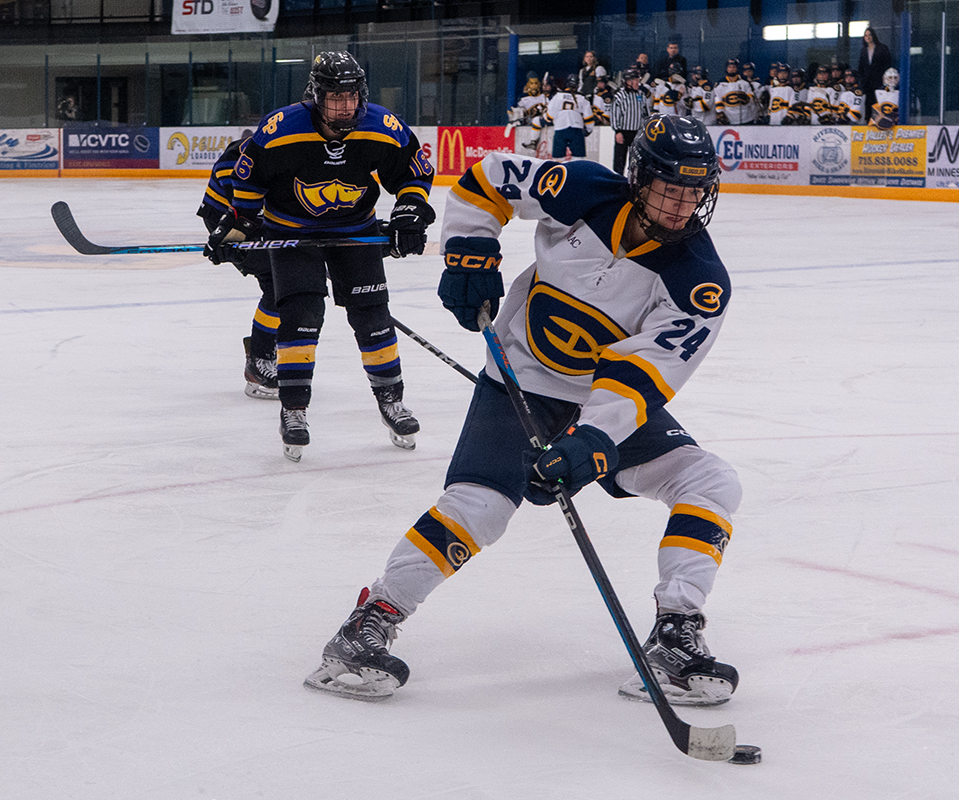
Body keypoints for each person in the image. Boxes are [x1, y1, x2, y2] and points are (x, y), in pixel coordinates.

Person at [304, 114, 744, 710]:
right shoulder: (582, 188)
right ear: (640, 179)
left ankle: (675, 635)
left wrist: (592, 439)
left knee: (710, 481)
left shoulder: (698, 279)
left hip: (600, 401)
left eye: (695, 193)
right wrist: (470, 247)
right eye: (670, 189)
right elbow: (487, 179)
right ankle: (369, 622)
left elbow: (647, 374)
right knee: (480, 508)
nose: (681, 206)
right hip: (520, 381)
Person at [204, 52, 436, 462]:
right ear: (316, 95)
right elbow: (248, 184)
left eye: (352, 96)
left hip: (355, 229)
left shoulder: (381, 125)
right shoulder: (281, 129)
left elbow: (413, 172)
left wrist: (409, 213)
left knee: (373, 316)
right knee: (303, 313)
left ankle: (392, 401)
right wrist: (234, 231)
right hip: (290, 233)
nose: (346, 105)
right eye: (336, 97)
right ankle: (293, 410)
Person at [197, 137, 282, 401]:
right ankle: (259, 359)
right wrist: (237, 233)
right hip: (226, 220)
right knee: (280, 285)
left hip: (265, 221)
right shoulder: (263, 144)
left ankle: (266, 348)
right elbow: (234, 179)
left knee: (294, 283)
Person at [534, 74, 593, 158]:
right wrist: (588, 129)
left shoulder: (558, 96)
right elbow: (589, 117)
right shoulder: (582, 98)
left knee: (558, 158)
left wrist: (547, 120)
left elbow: (550, 116)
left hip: (560, 128)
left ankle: (560, 171)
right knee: (578, 158)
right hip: (577, 129)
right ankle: (575, 171)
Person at [609, 67, 651, 174]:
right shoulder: (620, 96)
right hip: (623, 132)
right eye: (635, 80)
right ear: (628, 82)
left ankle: (634, 183)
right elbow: (614, 114)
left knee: (636, 161)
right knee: (619, 160)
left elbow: (646, 113)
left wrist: (645, 130)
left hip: (637, 133)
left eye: (638, 80)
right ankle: (617, 183)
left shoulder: (641, 95)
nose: (638, 82)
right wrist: (617, 131)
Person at [857, 27, 893, 123]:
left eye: (870, 35)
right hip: (867, 82)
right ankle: (869, 120)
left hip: (879, 80)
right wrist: (862, 79)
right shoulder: (864, 50)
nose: (868, 37)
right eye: (866, 35)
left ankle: (880, 120)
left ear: (874, 36)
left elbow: (887, 64)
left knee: (878, 101)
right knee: (868, 102)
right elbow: (861, 66)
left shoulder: (882, 48)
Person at [713, 58, 755, 125]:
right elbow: (718, 101)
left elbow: (752, 101)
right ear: (726, 68)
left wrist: (747, 99)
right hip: (729, 119)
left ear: (737, 68)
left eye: (734, 67)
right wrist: (720, 114)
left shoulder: (745, 83)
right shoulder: (720, 84)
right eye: (729, 67)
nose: (732, 69)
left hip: (746, 119)